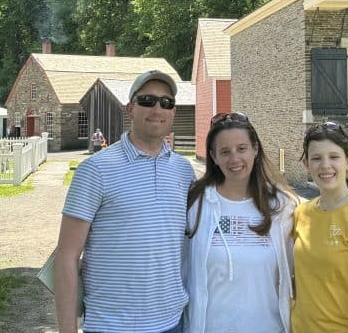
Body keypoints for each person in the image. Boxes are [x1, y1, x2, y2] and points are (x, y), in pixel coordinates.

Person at [54, 70, 196, 333]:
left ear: (173, 112)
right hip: (111, 324)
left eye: (166, 103)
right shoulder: (95, 170)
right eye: (147, 101)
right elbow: (67, 256)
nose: (157, 108)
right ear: (129, 108)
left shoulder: (183, 170)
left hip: (173, 322)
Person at [185, 112, 298, 333]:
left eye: (242, 149)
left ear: (255, 149)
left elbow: (297, 274)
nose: (234, 159)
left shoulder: (282, 206)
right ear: (213, 157)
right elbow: (182, 271)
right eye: (225, 152)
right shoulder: (197, 204)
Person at [291, 122, 348, 333]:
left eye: (334, 157)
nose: (325, 165)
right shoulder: (301, 213)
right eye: (316, 158)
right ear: (306, 163)